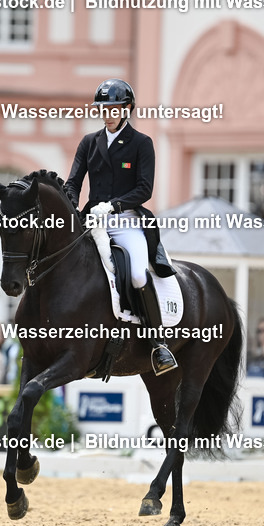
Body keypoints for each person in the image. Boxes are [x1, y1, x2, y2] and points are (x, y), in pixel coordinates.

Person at [64, 78, 177, 375]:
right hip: (92, 220)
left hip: (125, 222)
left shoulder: (141, 144)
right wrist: (71, 204)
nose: (108, 113)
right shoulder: (89, 142)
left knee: (139, 275)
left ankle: (158, 344)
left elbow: (144, 189)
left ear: (127, 109)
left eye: (114, 107)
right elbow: (74, 182)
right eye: (104, 108)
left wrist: (114, 205)